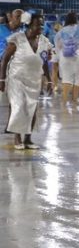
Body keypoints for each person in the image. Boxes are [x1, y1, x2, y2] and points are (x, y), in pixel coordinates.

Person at [0, 13, 52, 149]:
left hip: (34, 79)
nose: (40, 27)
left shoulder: (44, 41)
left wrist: (50, 80)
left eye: (41, 24)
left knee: (32, 109)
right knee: (18, 106)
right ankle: (17, 138)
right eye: (37, 25)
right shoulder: (17, 39)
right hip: (16, 78)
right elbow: (5, 60)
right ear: (29, 25)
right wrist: (2, 79)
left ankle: (28, 139)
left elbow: (44, 61)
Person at [55, 12, 79, 107]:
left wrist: (58, 56)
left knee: (66, 78)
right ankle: (75, 100)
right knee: (78, 78)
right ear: (76, 20)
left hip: (65, 55)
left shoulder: (61, 31)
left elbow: (57, 44)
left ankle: (64, 100)